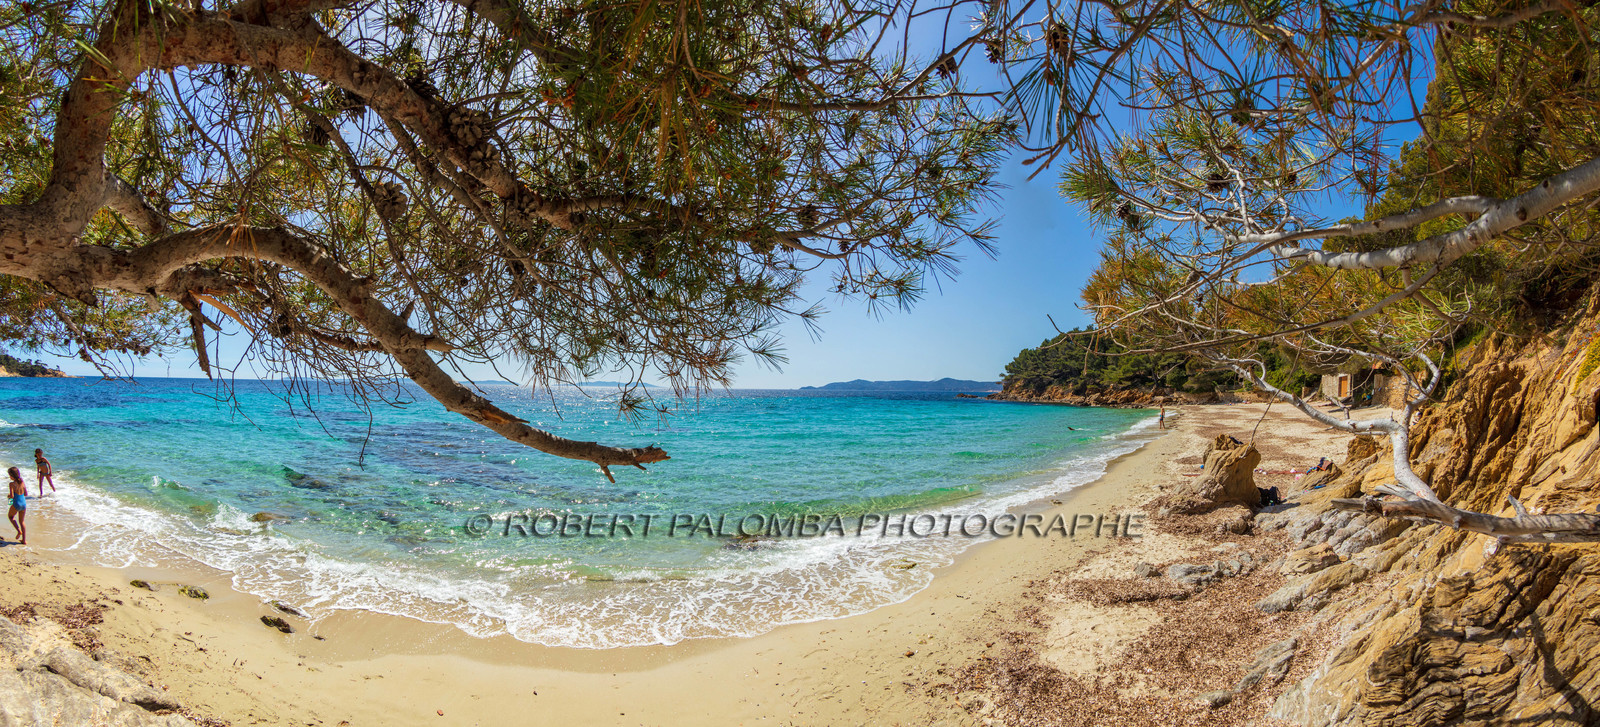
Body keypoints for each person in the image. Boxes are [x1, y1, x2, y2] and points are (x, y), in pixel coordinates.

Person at [8, 466, 26, 545]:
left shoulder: (11, 484)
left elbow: (12, 496)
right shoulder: (22, 482)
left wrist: (9, 496)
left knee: (10, 517)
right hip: (23, 504)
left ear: (12, 476)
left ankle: (19, 531)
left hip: (16, 504)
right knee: (22, 521)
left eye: (9, 475)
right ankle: (24, 540)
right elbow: (26, 493)